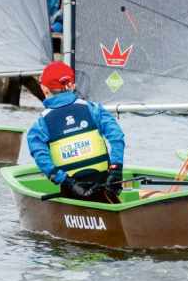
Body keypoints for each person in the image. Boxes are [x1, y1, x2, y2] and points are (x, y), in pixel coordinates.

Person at [26, 61, 125, 202]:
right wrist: (116, 170)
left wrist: (67, 182)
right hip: (104, 185)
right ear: (72, 86)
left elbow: (41, 158)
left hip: (72, 191)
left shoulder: (39, 125)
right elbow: (117, 137)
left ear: (44, 89)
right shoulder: (94, 109)